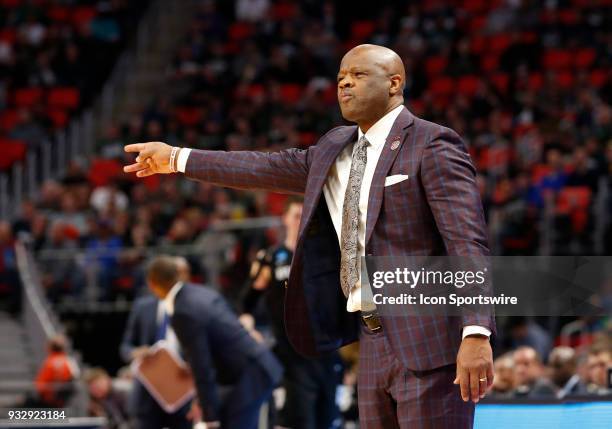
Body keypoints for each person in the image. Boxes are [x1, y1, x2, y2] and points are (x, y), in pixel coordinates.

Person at [125, 44, 495, 428]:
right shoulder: (333, 149)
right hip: (369, 338)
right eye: (340, 78)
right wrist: (176, 158)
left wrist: (476, 331)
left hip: (430, 337)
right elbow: (259, 167)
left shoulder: (432, 143)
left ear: (394, 83)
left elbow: (466, 242)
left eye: (358, 74)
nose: (345, 83)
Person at [145, 255, 283, 429]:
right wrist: (204, 404)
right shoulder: (200, 293)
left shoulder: (183, 311)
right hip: (255, 367)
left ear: (152, 284)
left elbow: (201, 365)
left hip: (248, 375)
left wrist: (209, 416)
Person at [242, 197, 341, 429]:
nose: (301, 220)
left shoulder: (324, 257)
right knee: (296, 420)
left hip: (326, 352)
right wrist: (247, 323)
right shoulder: (271, 258)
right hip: (290, 355)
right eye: (296, 215)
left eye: (305, 215)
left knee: (328, 419)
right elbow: (247, 302)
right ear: (285, 218)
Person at [119, 293, 191, 429]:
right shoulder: (143, 306)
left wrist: (193, 363)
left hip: (180, 393)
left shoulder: (192, 307)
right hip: (147, 395)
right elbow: (125, 347)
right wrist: (134, 352)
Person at [34, 335, 78, 408]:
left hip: (49, 401)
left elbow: (40, 385)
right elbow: (75, 379)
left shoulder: (50, 362)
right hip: (64, 400)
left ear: (50, 347)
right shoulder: (69, 361)